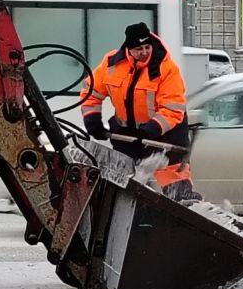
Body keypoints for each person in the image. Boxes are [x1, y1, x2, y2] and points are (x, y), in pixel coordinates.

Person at [80, 21, 195, 201]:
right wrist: (92, 119)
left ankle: (189, 211)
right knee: (124, 186)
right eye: (138, 48)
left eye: (147, 47)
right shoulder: (111, 64)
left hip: (165, 135)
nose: (144, 52)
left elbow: (172, 108)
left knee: (176, 188)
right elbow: (91, 92)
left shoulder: (166, 69)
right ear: (128, 49)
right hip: (128, 135)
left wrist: (151, 129)